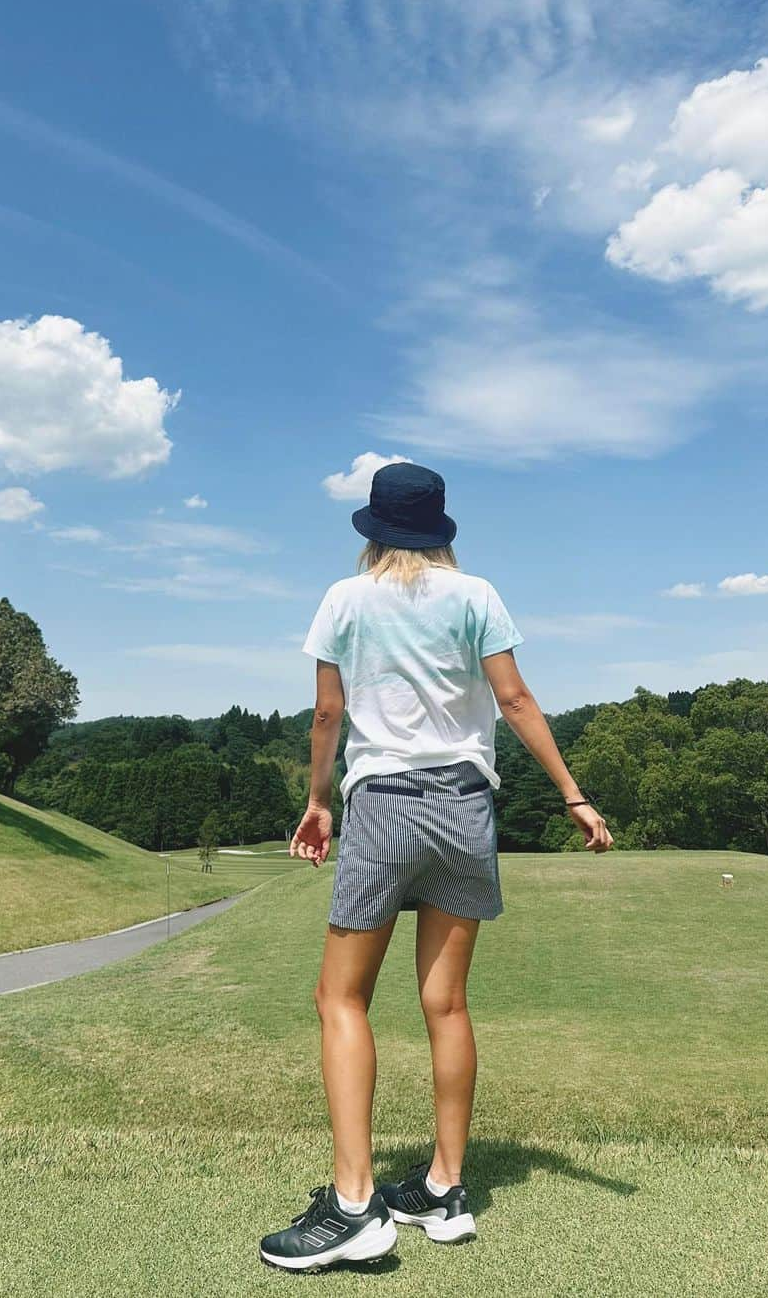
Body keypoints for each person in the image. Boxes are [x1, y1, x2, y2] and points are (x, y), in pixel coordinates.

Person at [258, 462, 612, 1273]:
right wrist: (573, 796)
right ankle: (446, 1192)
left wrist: (318, 802)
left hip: (383, 805)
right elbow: (516, 702)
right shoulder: (477, 595)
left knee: (339, 997)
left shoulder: (344, 600)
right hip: (465, 806)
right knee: (445, 1003)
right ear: (440, 526)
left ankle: (355, 1207)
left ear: (373, 527)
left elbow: (327, 712)